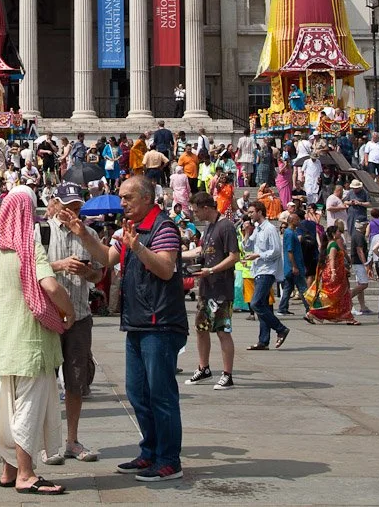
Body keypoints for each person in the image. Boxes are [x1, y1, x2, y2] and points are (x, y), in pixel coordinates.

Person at [76, 176, 187, 482]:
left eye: (128, 198)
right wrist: (83, 235)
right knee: (138, 392)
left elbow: (165, 269)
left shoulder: (164, 228)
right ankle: (149, 451)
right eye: (121, 197)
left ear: (147, 199)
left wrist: (137, 247)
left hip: (161, 322)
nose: (122, 202)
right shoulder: (127, 230)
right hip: (138, 321)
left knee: (161, 394)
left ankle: (169, 460)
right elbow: (107, 258)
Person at [0, 187, 73, 495]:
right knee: (28, 410)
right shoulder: (28, 247)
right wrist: (69, 311)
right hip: (31, 342)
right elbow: (50, 286)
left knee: (7, 408)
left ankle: (9, 471)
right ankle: (26, 474)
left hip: (5, 342)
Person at [42, 183, 103, 464]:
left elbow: (98, 277)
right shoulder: (42, 233)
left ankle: (72, 440)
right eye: (68, 206)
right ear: (56, 203)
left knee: (76, 381)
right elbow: (29, 269)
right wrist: (59, 265)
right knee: (45, 382)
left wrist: (87, 270)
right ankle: (47, 442)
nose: (73, 212)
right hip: (49, 317)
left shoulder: (89, 234)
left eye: (77, 207)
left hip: (79, 316)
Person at [182, 192, 238, 389]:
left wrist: (212, 270)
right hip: (206, 287)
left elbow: (234, 256)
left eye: (196, 211)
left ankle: (227, 374)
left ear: (206, 207)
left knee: (222, 330)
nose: (195, 215)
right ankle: (204, 367)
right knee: (201, 329)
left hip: (221, 287)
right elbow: (201, 251)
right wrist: (177, 255)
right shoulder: (208, 227)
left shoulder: (226, 226)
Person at [242, 201, 291, 347]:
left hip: (267, 270)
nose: (249, 215)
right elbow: (247, 246)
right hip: (257, 270)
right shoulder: (257, 229)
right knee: (264, 305)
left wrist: (258, 255)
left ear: (259, 212)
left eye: (251, 212)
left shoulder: (270, 229)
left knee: (256, 303)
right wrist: (246, 233)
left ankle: (281, 328)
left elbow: (276, 251)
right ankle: (263, 341)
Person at [303, 225, 360, 325]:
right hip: (334, 275)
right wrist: (333, 272)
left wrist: (344, 269)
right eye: (338, 231)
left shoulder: (331, 243)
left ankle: (347, 317)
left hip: (337, 274)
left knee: (339, 297)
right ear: (333, 234)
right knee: (334, 297)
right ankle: (312, 313)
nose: (340, 233)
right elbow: (332, 259)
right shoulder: (333, 244)